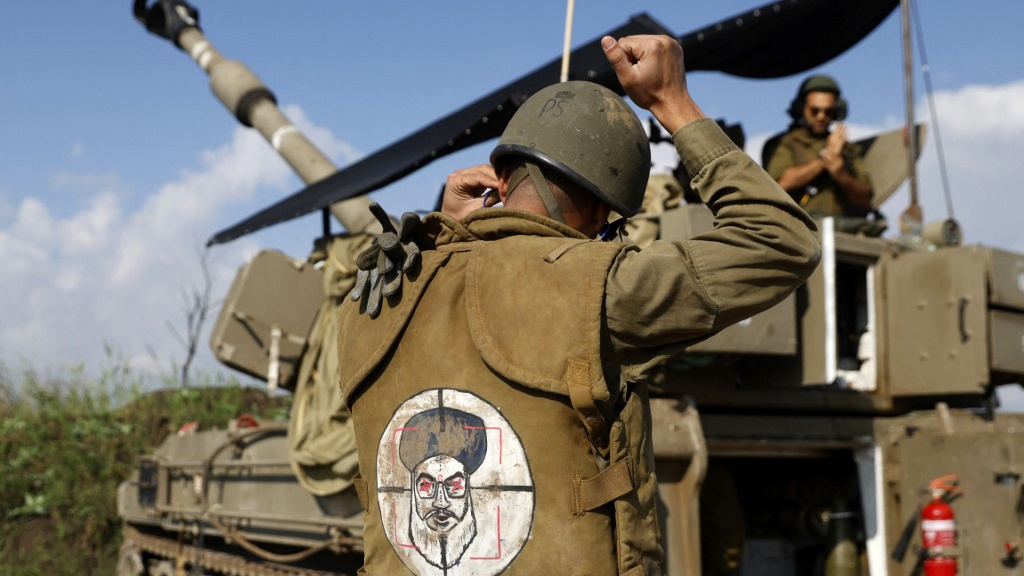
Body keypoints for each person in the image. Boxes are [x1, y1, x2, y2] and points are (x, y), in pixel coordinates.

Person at [338, 35, 820, 576]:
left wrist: (447, 240)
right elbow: (782, 242)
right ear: (600, 214)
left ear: (501, 178)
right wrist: (671, 102)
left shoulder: (371, 300)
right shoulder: (600, 287)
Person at [762, 75, 874, 219]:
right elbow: (780, 184)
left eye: (828, 111)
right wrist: (824, 160)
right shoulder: (784, 143)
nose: (821, 116)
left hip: (840, 232)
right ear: (801, 107)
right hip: (797, 229)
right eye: (815, 110)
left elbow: (866, 198)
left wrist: (840, 174)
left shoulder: (848, 149)